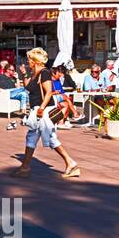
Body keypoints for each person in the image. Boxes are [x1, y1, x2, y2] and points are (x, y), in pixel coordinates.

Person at [13, 47, 81, 179]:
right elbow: (28, 87)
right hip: (37, 110)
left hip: (42, 110)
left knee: (50, 138)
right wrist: (24, 74)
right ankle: (25, 167)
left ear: (35, 61)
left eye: (29, 59)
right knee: (32, 137)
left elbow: (49, 91)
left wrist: (42, 108)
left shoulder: (44, 73)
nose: (28, 62)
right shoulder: (35, 73)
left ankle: (70, 163)